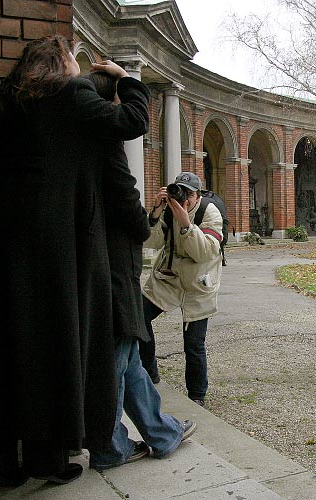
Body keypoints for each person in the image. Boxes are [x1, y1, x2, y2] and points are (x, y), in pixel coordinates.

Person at [0, 35, 151, 486]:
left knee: (3, 345)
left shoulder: (8, 103)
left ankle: (0, 463)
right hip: (53, 242)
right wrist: (125, 79)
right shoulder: (71, 94)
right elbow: (132, 121)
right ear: (62, 63)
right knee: (53, 345)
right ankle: (48, 458)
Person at [82, 71, 197, 470]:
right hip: (114, 266)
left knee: (128, 356)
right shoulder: (104, 142)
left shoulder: (73, 142)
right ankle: (109, 446)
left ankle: (161, 433)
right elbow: (136, 223)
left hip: (105, 265)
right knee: (116, 360)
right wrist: (149, 216)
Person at [139, 172, 224, 407]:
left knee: (194, 343)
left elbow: (204, 253)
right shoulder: (168, 209)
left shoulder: (209, 211)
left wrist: (186, 223)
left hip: (199, 281)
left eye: (189, 193)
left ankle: (197, 394)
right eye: (180, 191)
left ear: (197, 195)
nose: (183, 198)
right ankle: (149, 372)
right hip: (169, 276)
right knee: (139, 315)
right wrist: (156, 212)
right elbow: (150, 243)